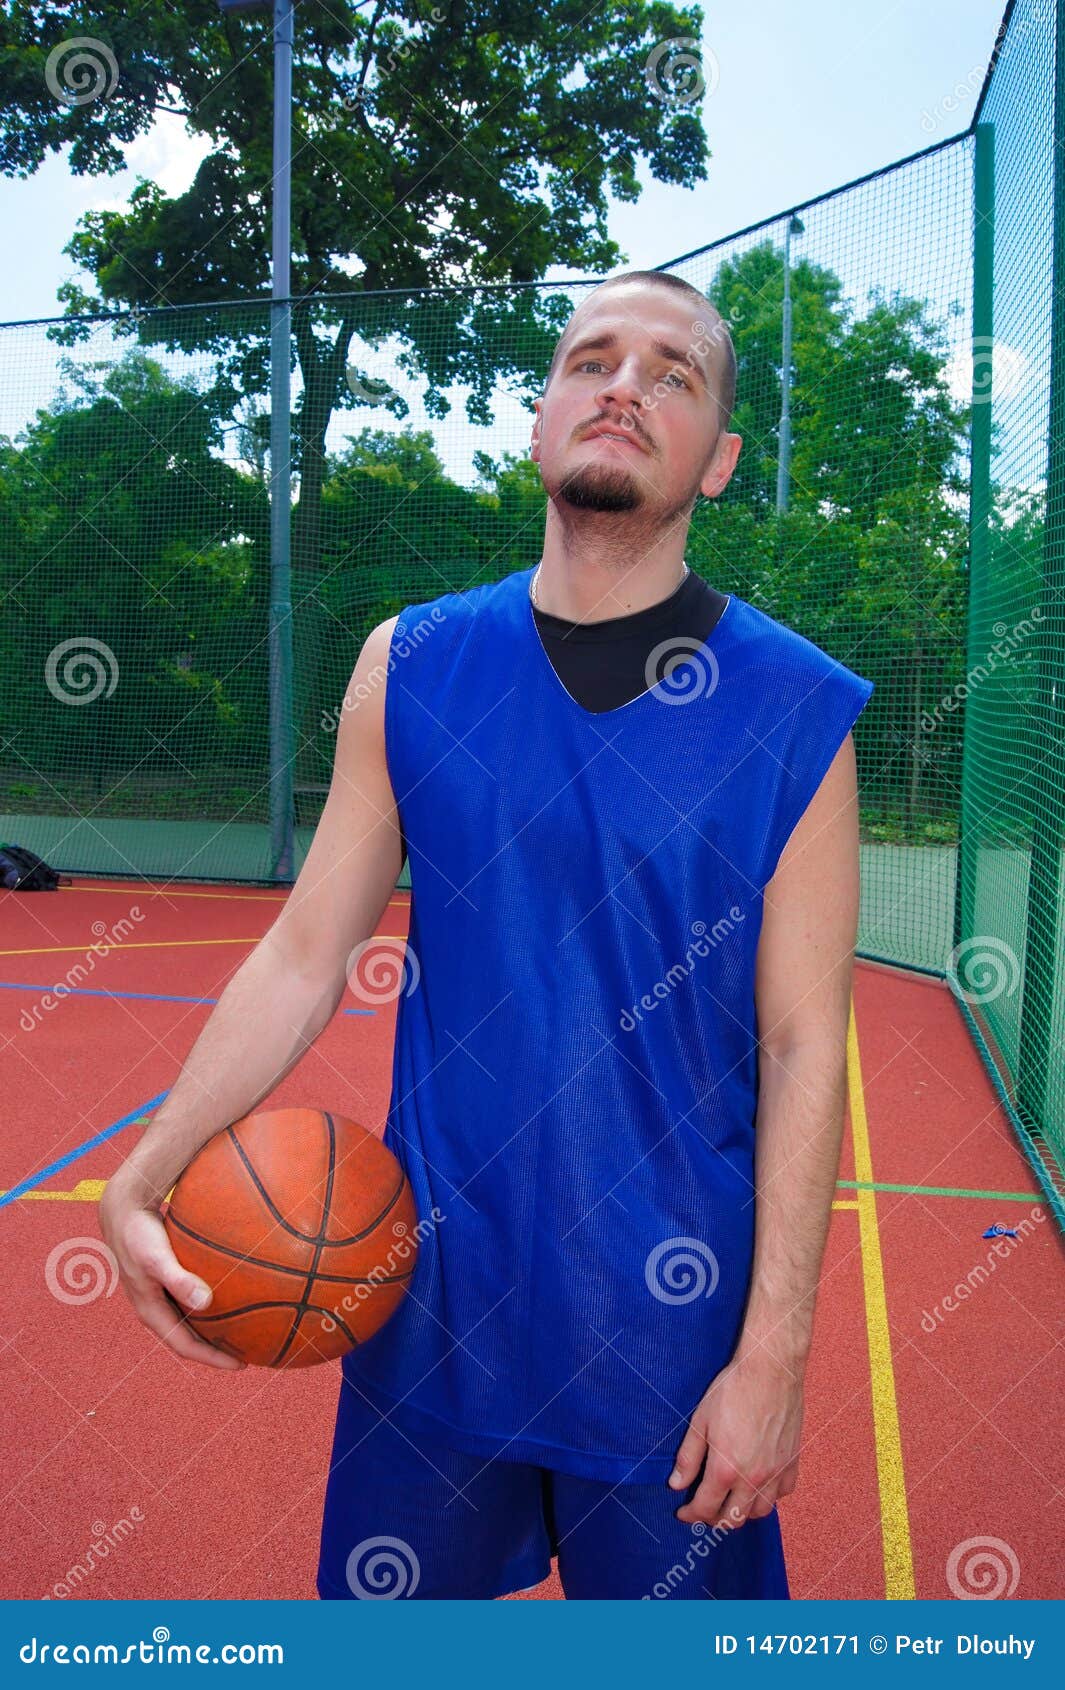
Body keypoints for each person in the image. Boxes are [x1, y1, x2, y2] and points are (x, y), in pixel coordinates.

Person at [101, 269, 874, 1601]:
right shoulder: (409, 665)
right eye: (592, 358)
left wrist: (773, 1357)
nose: (624, 385)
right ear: (538, 416)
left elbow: (808, 1044)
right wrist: (143, 1172)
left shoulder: (793, 706)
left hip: (664, 1335)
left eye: (671, 374)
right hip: (432, 1311)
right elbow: (301, 955)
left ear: (722, 459)